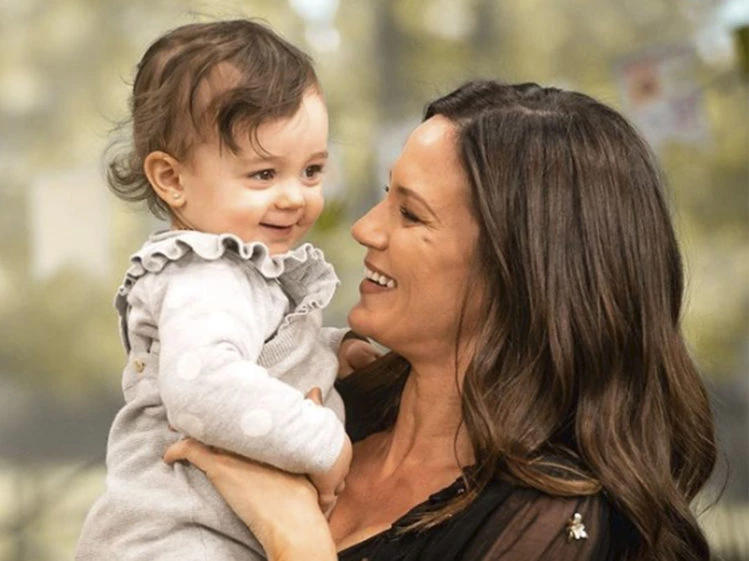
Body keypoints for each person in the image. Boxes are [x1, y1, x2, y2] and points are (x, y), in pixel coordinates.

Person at [166, 80, 719, 561]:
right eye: (388, 194)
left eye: (410, 214)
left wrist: (294, 538)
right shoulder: (315, 403)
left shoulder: (550, 526)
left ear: (523, 271)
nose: (365, 228)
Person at [76, 19, 375, 561]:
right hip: (173, 542)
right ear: (172, 180)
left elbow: (255, 350)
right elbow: (204, 387)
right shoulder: (208, 275)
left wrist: (329, 351)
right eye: (263, 175)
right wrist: (325, 442)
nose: (295, 197)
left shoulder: (235, 275)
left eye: (311, 171)